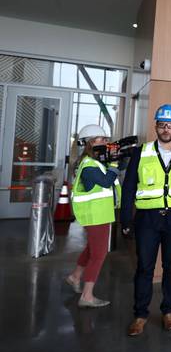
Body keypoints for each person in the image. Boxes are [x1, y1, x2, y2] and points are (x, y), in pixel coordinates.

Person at [120, 104, 171, 336]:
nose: (166, 130)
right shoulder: (141, 152)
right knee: (145, 267)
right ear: (156, 126)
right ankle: (140, 315)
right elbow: (128, 189)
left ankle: (168, 311)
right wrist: (126, 220)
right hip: (147, 219)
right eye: (162, 125)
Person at [65, 124, 121, 308]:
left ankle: (75, 277)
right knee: (99, 255)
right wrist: (114, 164)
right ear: (91, 142)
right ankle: (87, 296)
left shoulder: (94, 162)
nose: (106, 142)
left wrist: (117, 161)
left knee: (91, 249)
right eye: (102, 139)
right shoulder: (89, 166)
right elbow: (105, 181)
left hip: (98, 214)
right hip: (96, 216)